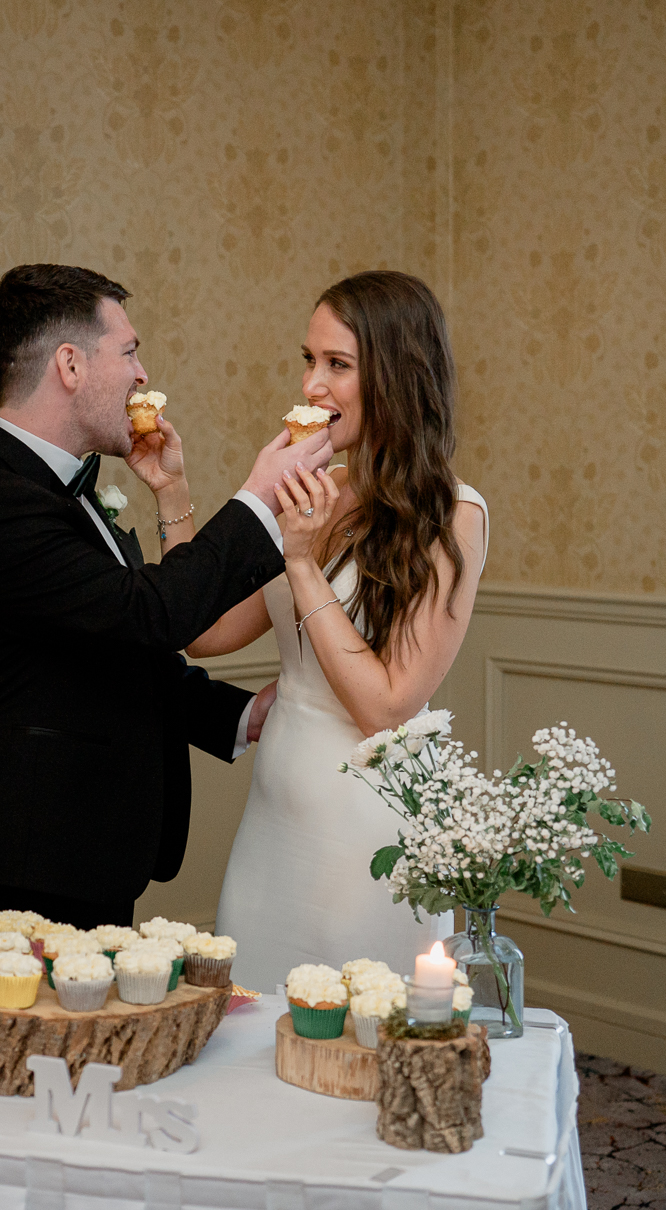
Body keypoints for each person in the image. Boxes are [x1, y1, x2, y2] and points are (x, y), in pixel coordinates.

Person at [0, 263, 335, 928]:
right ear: (70, 365)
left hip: (71, 855)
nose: (143, 375)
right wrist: (258, 498)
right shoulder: (1, 504)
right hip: (14, 865)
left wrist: (239, 716)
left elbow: (107, 651)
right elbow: (150, 615)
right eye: (130, 351)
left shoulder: (55, 489)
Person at [192, 271, 489, 988]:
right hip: (273, 823)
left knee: (355, 1049)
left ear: (397, 375)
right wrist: (172, 488)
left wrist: (299, 561)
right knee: (251, 1039)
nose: (311, 385)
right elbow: (202, 634)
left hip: (365, 833)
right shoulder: (315, 495)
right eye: (308, 360)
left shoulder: (453, 515)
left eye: (337, 365)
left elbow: (384, 706)